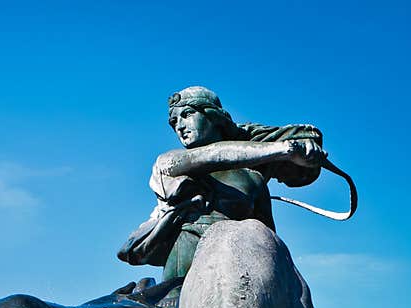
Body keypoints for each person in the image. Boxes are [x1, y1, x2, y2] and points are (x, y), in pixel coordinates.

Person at [118, 86, 327, 290]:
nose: (179, 126)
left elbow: (268, 231)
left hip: (249, 263)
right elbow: (215, 154)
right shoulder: (170, 162)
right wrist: (286, 149)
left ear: (214, 116)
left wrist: (306, 151)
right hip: (188, 266)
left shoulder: (252, 176)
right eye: (174, 122)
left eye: (187, 114)